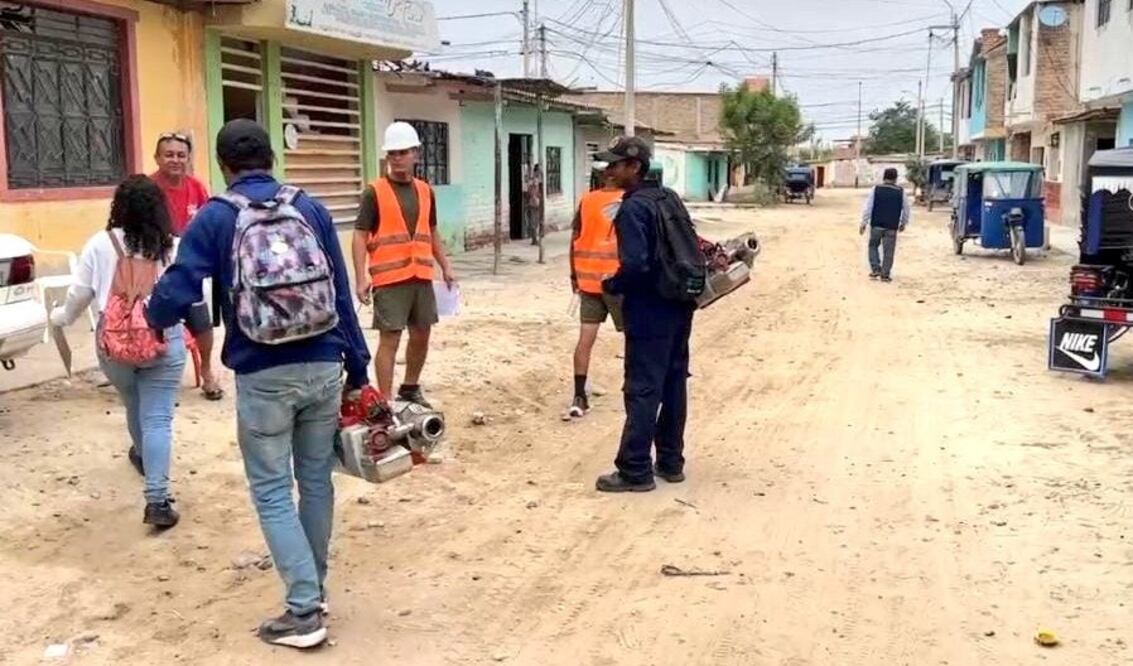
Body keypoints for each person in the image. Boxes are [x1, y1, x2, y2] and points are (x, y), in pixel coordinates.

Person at [146, 119, 371, 649]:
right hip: (323, 362)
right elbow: (339, 290)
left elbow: (180, 285)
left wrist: (154, 315)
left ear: (224, 166)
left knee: (272, 489)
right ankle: (313, 588)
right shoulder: (310, 208)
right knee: (316, 480)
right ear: (271, 157)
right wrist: (357, 367)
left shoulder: (218, 217)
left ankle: (303, 610)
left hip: (263, 371)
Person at [50, 175, 185, 527]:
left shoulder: (100, 243)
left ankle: (142, 455)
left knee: (134, 405)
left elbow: (79, 295)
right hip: (161, 339)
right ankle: (157, 499)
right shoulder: (170, 245)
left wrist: (61, 317)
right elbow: (190, 294)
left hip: (114, 345)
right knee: (157, 419)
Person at [593, 136, 696, 493]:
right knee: (673, 382)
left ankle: (635, 469)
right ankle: (671, 461)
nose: (608, 171)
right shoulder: (668, 198)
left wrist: (614, 283)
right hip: (680, 304)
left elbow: (636, 263)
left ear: (634, 167)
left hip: (650, 308)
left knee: (642, 387)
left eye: (615, 164)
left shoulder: (633, 208)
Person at [352, 121, 456, 407]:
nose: (397, 158)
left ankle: (410, 387)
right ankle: (385, 401)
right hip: (389, 280)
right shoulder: (374, 192)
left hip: (420, 275)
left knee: (422, 333)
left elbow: (432, 230)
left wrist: (445, 266)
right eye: (393, 153)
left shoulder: (425, 191)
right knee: (390, 339)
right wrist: (360, 278)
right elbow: (360, 236)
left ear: (416, 154)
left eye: (403, 152)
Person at [150, 131, 223, 400]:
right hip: (156, 262)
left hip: (191, 264)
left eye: (181, 155)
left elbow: (208, 222)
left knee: (202, 322)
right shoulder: (148, 187)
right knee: (154, 321)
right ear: (157, 157)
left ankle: (207, 373)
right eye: (169, 154)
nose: (175, 160)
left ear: (188, 158)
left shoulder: (197, 187)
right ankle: (155, 377)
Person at [565, 164, 624, 420]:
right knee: (634, 339)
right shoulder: (627, 201)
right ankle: (636, 391)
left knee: (585, 340)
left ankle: (579, 396)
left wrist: (574, 276)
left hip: (588, 282)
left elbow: (574, 239)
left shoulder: (586, 201)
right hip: (618, 282)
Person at [859, 167, 910, 282]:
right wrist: (903, 222)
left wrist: (864, 222)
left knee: (873, 246)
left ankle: (876, 268)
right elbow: (906, 208)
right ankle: (885, 274)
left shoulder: (876, 189)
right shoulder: (900, 192)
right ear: (896, 178)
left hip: (876, 224)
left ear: (884, 177)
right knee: (889, 251)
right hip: (891, 226)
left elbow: (868, 207)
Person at [526, 163, 544, 245]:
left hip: (538, 202)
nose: (541, 171)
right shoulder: (534, 179)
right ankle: (534, 239)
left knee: (537, 221)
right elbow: (531, 191)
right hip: (534, 203)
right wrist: (534, 198)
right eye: (539, 170)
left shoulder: (538, 179)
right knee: (534, 221)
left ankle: (536, 238)